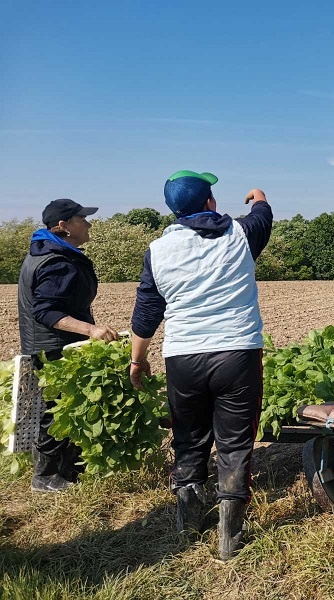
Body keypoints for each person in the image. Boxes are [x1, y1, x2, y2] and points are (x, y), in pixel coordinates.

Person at [129, 170, 272, 561]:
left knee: (188, 437)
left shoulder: (158, 251)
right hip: (237, 354)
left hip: (183, 358)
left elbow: (146, 313)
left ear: (173, 210)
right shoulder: (240, 235)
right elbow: (263, 215)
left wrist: (136, 360)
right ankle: (230, 535)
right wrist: (258, 195)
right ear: (210, 203)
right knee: (235, 441)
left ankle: (188, 522)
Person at [18, 198, 119, 493]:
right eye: (81, 219)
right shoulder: (57, 261)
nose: (88, 224)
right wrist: (91, 329)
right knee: (57, 411)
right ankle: (45, 477)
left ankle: (68, 470)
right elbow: (46, 312)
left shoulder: (47, 251)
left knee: (64, 408)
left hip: (51, 345)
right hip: (53, 348)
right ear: (63, 226)